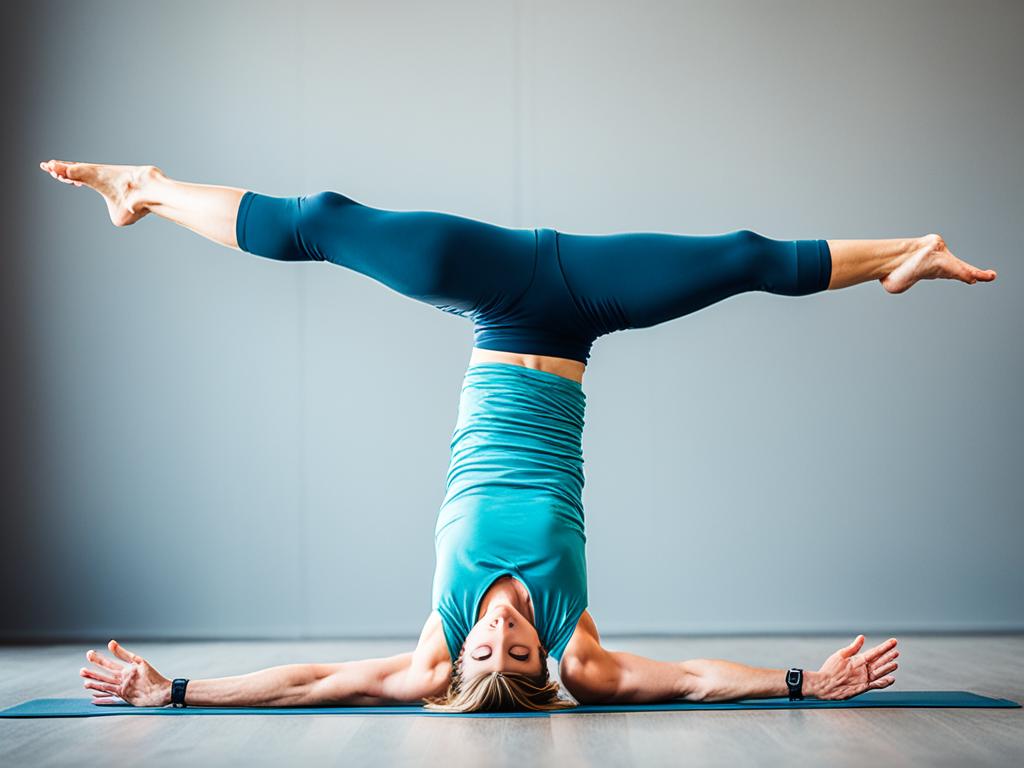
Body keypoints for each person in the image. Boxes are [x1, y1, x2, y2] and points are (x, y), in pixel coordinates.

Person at [40, 159, 995, 712]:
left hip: (498, 307)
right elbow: (699, 679)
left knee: (324, 220)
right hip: (579, 314)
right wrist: (801, 682)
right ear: (550, 663)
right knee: (744, 256)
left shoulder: (432, 652)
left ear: (458, 663)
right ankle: (906, 252)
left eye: (487, 651)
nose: (502, 633)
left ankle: (146, 188)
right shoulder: (583, 654)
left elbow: (311, 682)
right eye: (522, 655)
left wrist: (173, 695)